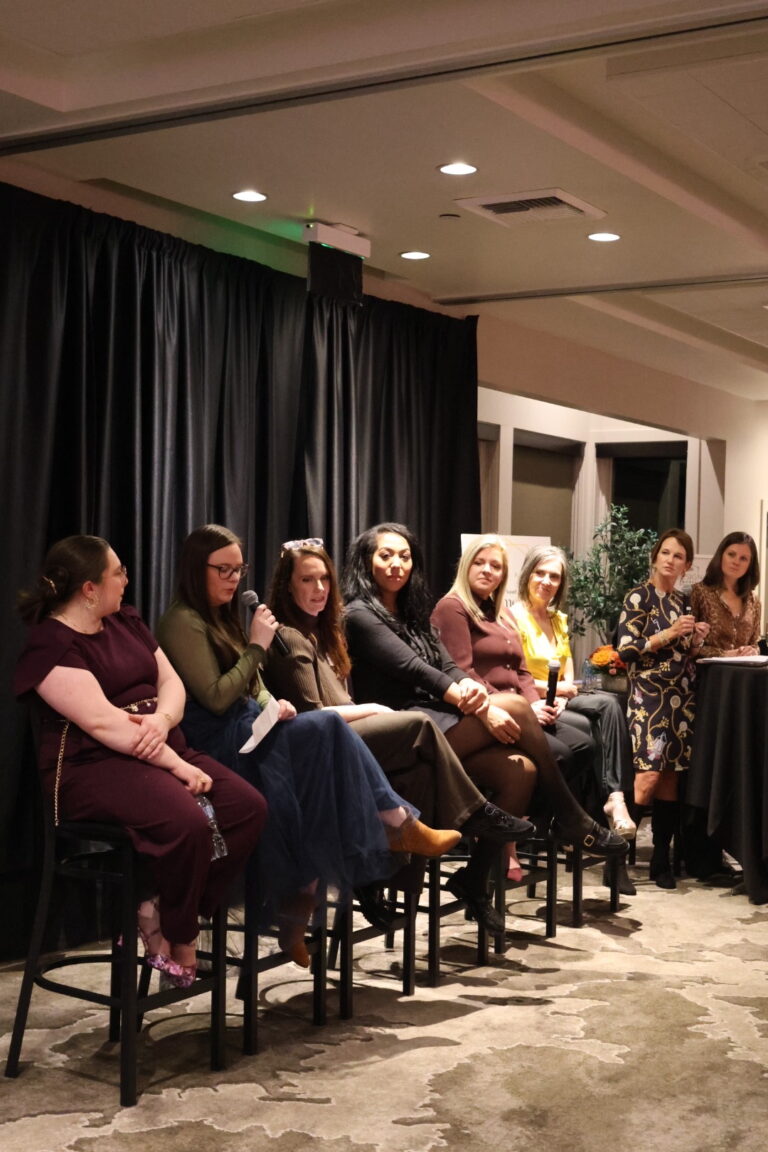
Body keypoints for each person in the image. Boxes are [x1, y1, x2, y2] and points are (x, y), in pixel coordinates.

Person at [156, 524, 460, 966]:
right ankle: (395, 823)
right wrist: (258, 646)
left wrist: (271, 702)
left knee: (327, 772)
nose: (233, 579)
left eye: (239, 569)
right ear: (193, 568)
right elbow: (218, 697)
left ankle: (306, 897)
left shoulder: (223, 615)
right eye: (222, 569)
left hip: (252, 728)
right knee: (330, 730)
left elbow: (251, 687)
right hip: (218, 744)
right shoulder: (182, 620)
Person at [341, 523, 628, 930]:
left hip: (437, 719)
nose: (396, 564)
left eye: (404, 556)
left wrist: (470, 697)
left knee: (520, 770)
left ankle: (475, 880)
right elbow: (413, 669)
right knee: (511, 705)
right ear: (366, 561)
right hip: (401, 731)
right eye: (386, 555)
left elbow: (444, 664)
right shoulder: (358, 614)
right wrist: (475, 702)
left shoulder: (413, 611)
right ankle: (572, 817)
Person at [14, 535, 266, 989]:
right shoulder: (51, 645)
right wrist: (177, 763)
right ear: (89, 588)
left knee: (247, 808)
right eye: (118, 573)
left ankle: (161, 910)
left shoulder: (125, 620)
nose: (126, 581)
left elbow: (171, 682)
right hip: (94, 768)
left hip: (159, 748)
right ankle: (182, 936)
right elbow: (107, 725)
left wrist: (164, 719)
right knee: (187, 823)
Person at [263, 538, 533, 927]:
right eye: (308, 580)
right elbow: (313, 716)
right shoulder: (291, 635)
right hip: (321, 750)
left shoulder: (323, 632)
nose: (319, 589)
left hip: (349, 742)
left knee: (423, 770)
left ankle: (381, 884)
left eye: (324, 579)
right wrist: (371, 708)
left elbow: (441, 665)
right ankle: (475, 814)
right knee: (420, 725)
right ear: (288, 585)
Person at [431, 534, 597, 883]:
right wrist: (521, 708)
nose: (488, 571)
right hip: (482, 713)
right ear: (466, 564)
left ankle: (530, 823)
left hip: (520, 706)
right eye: (481, 563)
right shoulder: (453, 607)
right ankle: (531, 827)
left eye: (496, 566)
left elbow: (521, 671)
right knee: (561, 755)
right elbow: (463, 672)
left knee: (584, 744)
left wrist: (535, 705)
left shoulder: (499, 610)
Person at [508, 543, 638, 893]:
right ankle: (613, 829)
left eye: (555, 577)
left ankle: (612, 809)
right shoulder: (512, 617)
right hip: (529, 702)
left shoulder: (558, 619)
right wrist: (556, 691)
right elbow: (514, 675)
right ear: (528, 574)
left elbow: (565, 672)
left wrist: (564, 692)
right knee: (599, 736)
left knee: (610, 706)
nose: (547, 581)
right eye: (541, 573)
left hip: (562, 701)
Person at [616, 529, 710, 889]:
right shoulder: (637, 597)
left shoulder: (683, 602)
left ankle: (660, 860)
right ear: (655, 557)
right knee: (648, 776)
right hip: (650, 696)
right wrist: (669, 634)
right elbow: (625, 649)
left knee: (671, 777)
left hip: (681, 697)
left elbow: (685, 654)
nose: (671, 560)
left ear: (686, 566)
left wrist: (695, 639)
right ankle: (617, 862)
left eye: (679, 556)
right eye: (666, 553)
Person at [690, 532, 761, 658]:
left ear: (750, 565)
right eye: (731, 554)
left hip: (744, 673)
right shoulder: (699, 592)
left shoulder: (754, 602)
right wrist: (725, 654)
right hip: (711, 673)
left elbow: (754, 643)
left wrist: (753, 651)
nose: (736, 562)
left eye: (743, 558)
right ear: (721, 556)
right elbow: (688, 646)